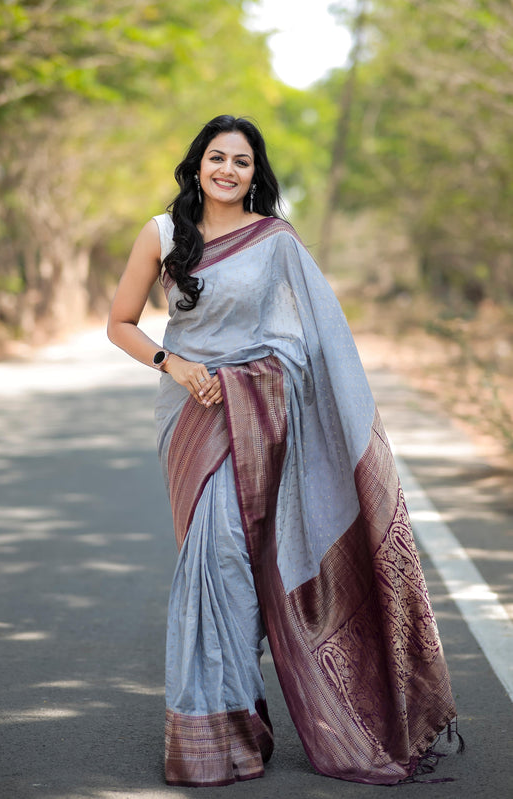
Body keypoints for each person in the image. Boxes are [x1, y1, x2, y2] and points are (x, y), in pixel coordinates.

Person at [107, 114, 459, 787]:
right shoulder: (162, 233)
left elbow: (309, 338)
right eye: (217, 157)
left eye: (241, 162)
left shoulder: (275, 242)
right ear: (197, 163)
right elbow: (119, 322)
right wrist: (171, 362)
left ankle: (236, 719)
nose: (227, 171)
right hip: (188, 418)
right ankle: (222, 722)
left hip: (258, 413)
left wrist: (255, 379)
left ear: (255, 174)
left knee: (232, 559)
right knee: (209, 559)